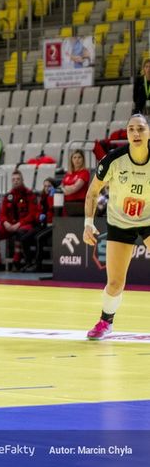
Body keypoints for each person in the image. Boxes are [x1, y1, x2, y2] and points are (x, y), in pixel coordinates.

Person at [84, 114, 150, 340]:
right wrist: (88, 224)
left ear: (148, 133)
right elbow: (93, 191)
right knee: (114, 282)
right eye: (131, 129)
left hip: (148, 220)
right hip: (120, 222)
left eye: (140, 129)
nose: (136, 133)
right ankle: (105, 322)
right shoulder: (113, 159)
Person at [0, 170, 37, 271]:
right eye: (13, 180)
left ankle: (16, 262)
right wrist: (5, 223)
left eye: (18, 179)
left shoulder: (29, 194)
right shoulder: (8, 196)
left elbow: (32, 215)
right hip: (9, 225)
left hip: (25, 224)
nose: (16, 181)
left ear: (22, 180)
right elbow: (2, 214)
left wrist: (19, 224)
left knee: (20, 232)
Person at [20, 177, 55, 272]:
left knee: (38, 238)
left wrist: (51, 197)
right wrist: (39, 216)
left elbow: (52, 209)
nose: (47, 188)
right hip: (42, 225)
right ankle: (28, 263)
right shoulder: (42, 198)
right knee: (24, 239)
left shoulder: (56, 197)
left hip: (52, 225)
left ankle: (38, 265)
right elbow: (38, 211)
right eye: (45, 186)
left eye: (49, 186)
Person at [61, 149, 90, 216]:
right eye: (74, 157)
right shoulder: (68, 174)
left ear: (83, 159)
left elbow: (75, 188)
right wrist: (65, 189)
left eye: (79, 157)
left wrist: (64, 189)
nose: (77, 160)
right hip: (66, 204)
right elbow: (61, 186)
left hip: (78, 205)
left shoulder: (85, 173)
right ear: (71, 160)